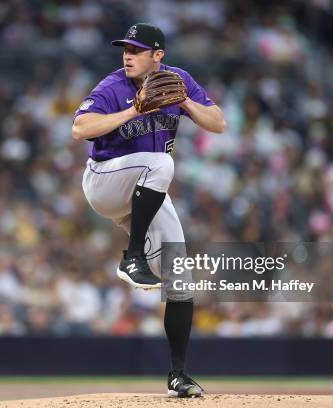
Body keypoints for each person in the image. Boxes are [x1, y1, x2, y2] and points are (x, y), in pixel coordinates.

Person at [72, 23, 226, 398]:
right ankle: (133, 256)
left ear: (158, 55)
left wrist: (186, 100)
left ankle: (178, 376)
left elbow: (218, 122)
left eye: (137, 49)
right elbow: (80, 128)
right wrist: (132, 111)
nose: (128, 54)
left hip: (146, 190)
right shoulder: (113, 87)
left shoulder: (179, 80)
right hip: (106, 182)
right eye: (125, 48)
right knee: (162, 164)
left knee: (180, 277)